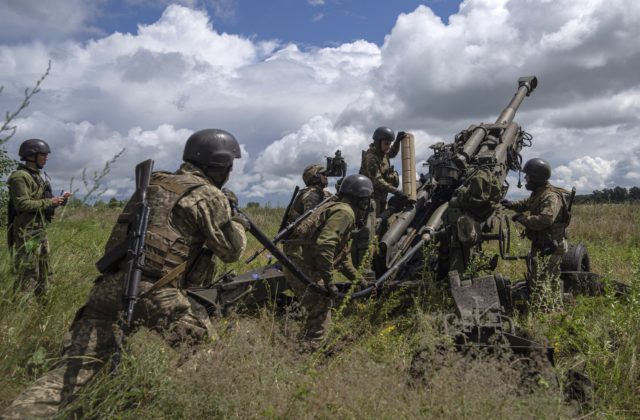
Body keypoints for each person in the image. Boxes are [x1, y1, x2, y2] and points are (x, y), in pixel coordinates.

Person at [3, 129, 248, 419]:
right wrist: (237, 221)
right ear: (220, 166)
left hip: (107, 288)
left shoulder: (153, 184)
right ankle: (186, 408)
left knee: (74, 370)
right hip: (157, 292)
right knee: (206, 351)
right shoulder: (207, 194)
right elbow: (232, 252)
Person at [282, 174, 373, 351]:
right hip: (301, 262)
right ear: (362, 200)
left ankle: (308, 344)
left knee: (319, 306)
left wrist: (361, 282)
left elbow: (341, 258)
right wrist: (329, 283)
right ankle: (311, 351)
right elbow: (325, 245)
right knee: (321, 302)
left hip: (297, 259)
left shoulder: (338, 208)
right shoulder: (345, 213)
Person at [501, 158, 571, 312]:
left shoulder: (550, 196)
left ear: (536, 177)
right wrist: (510, 204)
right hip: (542, 245)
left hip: (551, 247)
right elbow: (527, 203)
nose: (525, 178)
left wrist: (522, 219)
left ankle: (550, 312)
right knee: (538, 279)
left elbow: (544, 220)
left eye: (528, 176)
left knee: (545, 280)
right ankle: (545, 309)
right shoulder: (539, 193)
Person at [7, 138, 72, 295]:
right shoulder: (20, 177)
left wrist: (59, 201)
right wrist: (49, 201)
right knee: (28, 272)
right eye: (43, 155)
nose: (46, 158)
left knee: (45, 272)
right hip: (28, 234)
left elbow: (41, 203)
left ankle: (42, 306)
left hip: (39, 231)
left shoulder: (37, 177)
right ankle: (23, 309)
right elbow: (22, 204)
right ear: (31, 156)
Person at [359, 126, 407, 216]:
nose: (388, 147)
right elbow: (377, 181)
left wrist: (397, 141)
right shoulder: (371, 157)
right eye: (386, 144)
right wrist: (396, 191)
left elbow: (392, 152)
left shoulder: (382, 153)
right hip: (372, 196)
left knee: (383, 221)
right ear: (378, 142)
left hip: (382, 194)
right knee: (375, 221)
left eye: (389, 144)